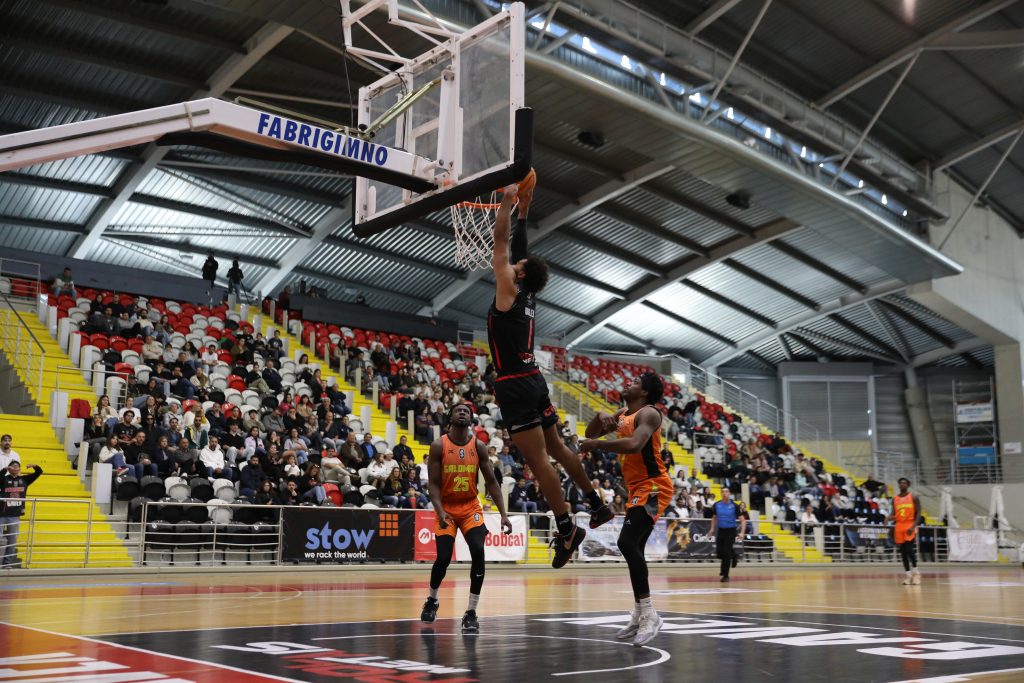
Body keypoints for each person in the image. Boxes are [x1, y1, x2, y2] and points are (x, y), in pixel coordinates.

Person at [486, 171, 611, 567]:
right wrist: (524, 210)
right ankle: (596, 502)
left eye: (517, 265)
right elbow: (519, 248)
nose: (513, 265)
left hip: (515, 384)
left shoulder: (508, 288)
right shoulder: (528, 296)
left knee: (539, 461)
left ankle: (565, 527)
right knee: (558, 447)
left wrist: (507, 198)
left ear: (519, 272)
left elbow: (501, 243)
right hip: (535, 380)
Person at [580, 372, 671, 646]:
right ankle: (640, 612)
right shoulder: (622, 413)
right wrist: (598, 416)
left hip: (654, 485)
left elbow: (634, 445)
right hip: (636, 487)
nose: (628, 383)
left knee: (626, 542)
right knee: (634, 549)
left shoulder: (650, 414)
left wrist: (598, 445)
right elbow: (589, 433)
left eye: (634, 382)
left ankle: (649, 613)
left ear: (644, 392)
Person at [421, 404, 511, 634]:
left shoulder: (479, 446)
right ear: (450, 417)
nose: (463, 413)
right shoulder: (439, 445)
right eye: (458, 410)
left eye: (467, 412)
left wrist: (503, 514)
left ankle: (471, 612)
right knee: (442, 558)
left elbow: (491, 481)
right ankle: (432, 600)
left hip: (471, 506)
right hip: (447, 508)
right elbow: (432, 484)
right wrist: (440, 511)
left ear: (471, 420)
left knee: (478, 552)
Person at [1, 461, 43, 567]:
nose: (15, 468)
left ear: (20, 469)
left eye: (17, 466)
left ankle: (7, 563)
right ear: (9, 468)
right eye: (13, 466)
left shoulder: (24, 480)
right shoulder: (4, 479)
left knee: (12, 540)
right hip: (1, 514)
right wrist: (4, 470)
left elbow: (39, 472)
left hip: (15, 516)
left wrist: (34, 465)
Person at [708, 486, 747, 583]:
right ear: (721, 494)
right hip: (721, 530)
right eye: (722, 492)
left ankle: (725, 575)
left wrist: (742, 533)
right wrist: (712, 529)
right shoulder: (716, 505)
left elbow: (743, 520)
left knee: (726, 552)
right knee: (720, 552)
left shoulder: (735, 506)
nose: (724, 493)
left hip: (731, 531)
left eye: (726, 492)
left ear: (729, 494)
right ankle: (734, 555)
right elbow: (714, 517)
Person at [887, 477, 921, 585]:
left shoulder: (914, 497)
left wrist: (913, 526)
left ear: (908, 485)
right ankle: (908, 575)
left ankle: (916, 574)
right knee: (902, 552)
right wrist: (888, 518)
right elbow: (894, 514)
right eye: (900, 483)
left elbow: (919, 513)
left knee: (909, 549)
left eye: (904, 483)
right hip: (899, 526)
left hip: (909, 524)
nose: (902, 484)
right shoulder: (895, 499)